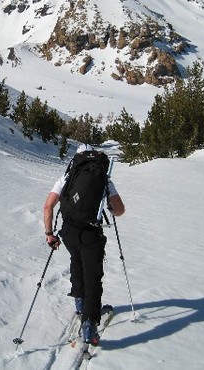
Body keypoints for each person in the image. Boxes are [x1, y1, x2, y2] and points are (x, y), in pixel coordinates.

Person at [42, 144, 125, 345]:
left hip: (69, 231)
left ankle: (80, 303)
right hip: (90, 234)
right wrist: (110, 209)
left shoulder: (67, 177)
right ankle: (89, 325)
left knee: (76, 261)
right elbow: (120, 210)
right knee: (93, 277)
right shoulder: (104, 178)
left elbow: (48, 206)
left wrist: (49, 234)